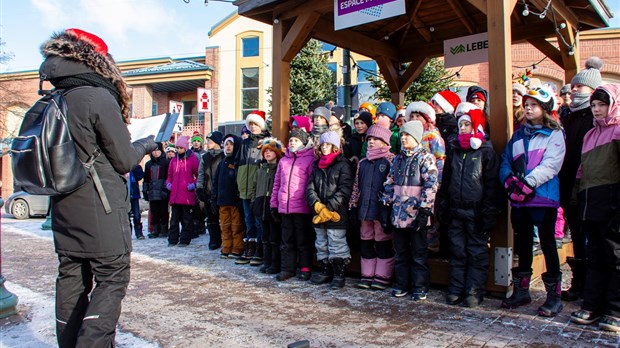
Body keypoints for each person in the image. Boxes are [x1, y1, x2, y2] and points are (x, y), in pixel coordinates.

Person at [39, 28, 157, 347]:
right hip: (101, 208)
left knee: (71, 281)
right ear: (100, 61)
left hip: (64, 207)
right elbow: (122, 160)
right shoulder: (97, 95)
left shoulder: (54, 97)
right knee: (112, 278)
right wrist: (146, 144)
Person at [499, 87, 566, 317]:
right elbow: (506, 159)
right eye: (526, 104)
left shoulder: (554, 133)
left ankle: (554, 296)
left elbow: (551, 164)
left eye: (533, 105)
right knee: (523, 242)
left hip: (543, 197)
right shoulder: (518, 135)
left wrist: (528, 183)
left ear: (545, 109)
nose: (528, 108)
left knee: (547, 243)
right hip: (520, 200)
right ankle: (521, 291)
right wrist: (509, 181)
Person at [437, 108, 501, 307]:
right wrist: (443, 204)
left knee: (477, 252)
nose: (462, 128)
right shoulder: (455, 151)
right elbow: (447, 181)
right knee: (457, 250)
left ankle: (474, 290)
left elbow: (492, 185)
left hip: (476, 212)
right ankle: (456, 288)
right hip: (456, 210)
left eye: (466, 125)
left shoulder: (486, 152)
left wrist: (489, 212)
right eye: (460, 125)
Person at [570, 84, 620, 332]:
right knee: (595, 257)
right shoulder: (590, 134)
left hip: (611, 201)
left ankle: (615, 309)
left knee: (615, 257)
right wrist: (576, 198)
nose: (597, 110)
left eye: (602, 105)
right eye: (594, 105)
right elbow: (582, 170)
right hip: (590, 202)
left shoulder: (618, 131)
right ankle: (593, 305)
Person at [558, 57, 603, 302]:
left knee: (590, 238)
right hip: (568, 185)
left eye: (579, 87)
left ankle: (593, 288)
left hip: (589, 186)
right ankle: (580, 283)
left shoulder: (595, 118)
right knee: (576, 235)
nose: (574, 90)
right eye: (573, 87)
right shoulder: (569, 116)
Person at [381, 120, 438, 301]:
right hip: (398, 214)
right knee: (401, 252)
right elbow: (389, 182)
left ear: (416, 137)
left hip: (416, 214)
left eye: (407, 135)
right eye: (402, 135)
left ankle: (420, 286)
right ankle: (401, 283)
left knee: (419, 253)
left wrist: (425, 210)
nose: (403, 138)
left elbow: (431, 185)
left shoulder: (425, 158)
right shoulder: (398, 159)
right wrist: (385, 204)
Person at [349, 125, 396, 290]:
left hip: (380, 210)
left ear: (384, 142)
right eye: (369, 139)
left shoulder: (390, 160)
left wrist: (387, 208)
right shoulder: (363, 163)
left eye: (375, 139)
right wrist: (353, 206)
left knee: (382, 243)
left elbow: (392, 186)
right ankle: (367, 274)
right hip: (364, 210)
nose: (370, 142)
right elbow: (356, 186)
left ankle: (383, 275)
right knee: (366, 243)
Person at [307, 131, 354, 289]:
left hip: (336, 214)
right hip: (319, 212)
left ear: (335, 146)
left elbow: (345, 189)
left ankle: (339, 274)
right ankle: (325, 270)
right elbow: (310, 186)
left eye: (328, 145)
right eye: (323, 145)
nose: (325, 147)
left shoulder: (343, 164)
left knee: (336, 242)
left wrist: (330, 207)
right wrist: (317, 204)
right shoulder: (316, 164)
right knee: (321, 243)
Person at [270, 129, 316, 281]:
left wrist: (311, 204)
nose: (292, 143)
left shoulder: (309, 159)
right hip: (285, 207)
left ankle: (305, 268)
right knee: (287, 240)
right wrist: (274, 204)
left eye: (296, 140)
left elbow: (311, 183)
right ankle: (287, 269)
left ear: (303, 142)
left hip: (302, 207)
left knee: (303, 239)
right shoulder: (284, 161)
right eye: (290, 141)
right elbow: (277, 183)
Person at [236, 110, 270, 264]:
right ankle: (250, 245)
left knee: (258, 219)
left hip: (258, 188)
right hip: (244, 187)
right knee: (248, 219)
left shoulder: (266, 141)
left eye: (255, 124)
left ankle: (260, 249)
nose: (253, 127)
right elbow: (239, 165)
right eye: (250, 124)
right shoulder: (244, 143)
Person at [252, 137, 284, 272]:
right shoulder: (260, 170)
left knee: (274, 236)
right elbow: (254, 187)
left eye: (271, 151)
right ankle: (267, 261)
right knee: (264, 236)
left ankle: (275, 264)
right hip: (261, 206)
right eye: (265, 151)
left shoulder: (278, 169)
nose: (267, 153)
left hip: (273, 206)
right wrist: (254, 202)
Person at [213, 134, 245, 259]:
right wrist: (214, 197)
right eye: (226, 144)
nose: (228, 147)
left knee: (236, 226)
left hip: (234, 200)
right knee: (225, 226)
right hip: (222, 200)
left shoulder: (237, 162)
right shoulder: (222, 163)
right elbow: (216, 182)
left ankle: (237, 247)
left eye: (231, 144)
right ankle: (226, 246)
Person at [166, 135, 199, 247]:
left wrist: (193, 185)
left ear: (185, 148)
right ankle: (172, 239)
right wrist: (168, 184)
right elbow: (169, 175)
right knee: (174, 219)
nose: (178, 150)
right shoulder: (173, 160)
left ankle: (185, 239)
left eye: (180, 147)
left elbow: (198, 174)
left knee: (186, 219)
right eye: (177, 148)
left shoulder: (192, 159)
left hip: (186, 195)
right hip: (175, 194)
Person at [196, 131, 225, 250]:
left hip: (221, 191)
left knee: (222, 217)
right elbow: (201, 173)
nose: (207, 143)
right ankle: (214, 239)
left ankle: (224, 239)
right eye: (207, 141)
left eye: (210, 141)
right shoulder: (205, 157)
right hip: (208, 190)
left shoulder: (223, 156)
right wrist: (199, 187)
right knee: (211, 218)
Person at [143, 143, 170, 239]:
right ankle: (155, 229)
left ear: (161, 151)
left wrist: (165, 189)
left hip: (162, 190)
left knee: (163, 211)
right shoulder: (148, 164)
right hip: (152, 191)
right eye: (154, 151)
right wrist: (145, 190)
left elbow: (168, 177)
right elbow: (146, 179)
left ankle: (164, 229)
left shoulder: (166, 162)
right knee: (154, 212)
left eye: (157, 150)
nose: (155, 153)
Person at [190, 132, 207, 238]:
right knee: (193, 206)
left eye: (198, 141)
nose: (196, 143)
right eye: (194, 141)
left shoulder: (204, 154)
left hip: (201, 182)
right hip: (191, 182)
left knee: (201, 206)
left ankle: (201, 224)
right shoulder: (189, 153)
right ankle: (194, 225)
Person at [128, 164, 145, 239]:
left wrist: (134, 167)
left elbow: (140, 176)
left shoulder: (134, 166)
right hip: (125, 195)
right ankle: (128, 233)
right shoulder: (120, 165)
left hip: (134, 193)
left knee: (137, 215)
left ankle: (139, 233)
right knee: (126, 216)